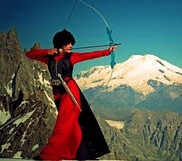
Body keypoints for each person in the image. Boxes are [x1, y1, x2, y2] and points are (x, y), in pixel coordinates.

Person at [26, 29, 115, 160]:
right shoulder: (49, 58)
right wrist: (47, 51)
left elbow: (90, 55)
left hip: (70, 93)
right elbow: (29, 54)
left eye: (71, 43)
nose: (71, 46)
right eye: (67, 43)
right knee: (73, 126)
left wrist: (107, 52)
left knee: (63, 124)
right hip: (57, 94)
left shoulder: (72, 56)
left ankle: (48, 156)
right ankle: (80, 154)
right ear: (60, 44)